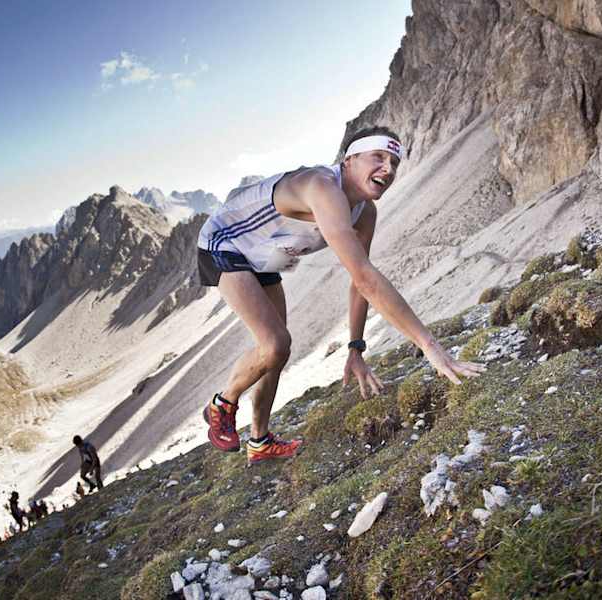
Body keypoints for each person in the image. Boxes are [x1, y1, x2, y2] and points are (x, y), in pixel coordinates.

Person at [196, 126, 486, 465]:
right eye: (378, 157)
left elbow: (356, 278)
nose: (388, 169)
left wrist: (356, 349)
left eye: (394, 162)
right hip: (224, 242)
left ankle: (259, 442)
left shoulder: (366, 212)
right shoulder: (321, 187)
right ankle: (222, 405)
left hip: (265, 252)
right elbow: (366, 280)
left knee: (275, 353)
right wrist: (430, 346)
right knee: (274, 344)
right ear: (349, 160)